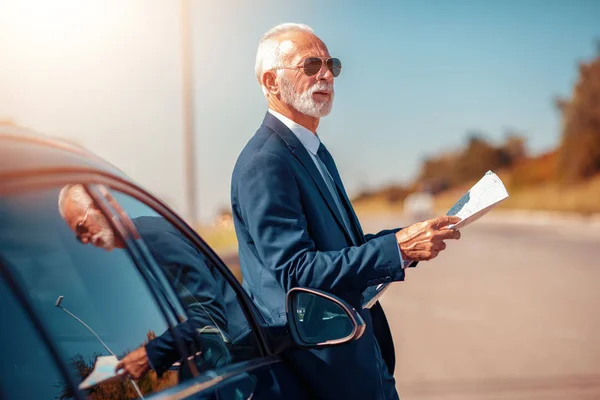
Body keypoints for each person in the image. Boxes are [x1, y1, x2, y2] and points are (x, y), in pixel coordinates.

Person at [230, 23, 461, 399]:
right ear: (272, 82)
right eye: (310, 66)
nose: (326, 74)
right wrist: (397, 249)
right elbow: (296, 272)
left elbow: (341, 249)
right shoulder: (265, 162)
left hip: (358, 353)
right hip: (320, 369)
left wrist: (408, 238)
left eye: (330, 64)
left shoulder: (315, 151)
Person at [58, 184, 234, 380]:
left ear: (100, 206)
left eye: (81, 227)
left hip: (238, 356)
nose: (83, 240)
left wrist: (148, 354)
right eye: (77, 236)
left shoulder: (156, 241)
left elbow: (208, 319)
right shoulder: (136, 249)